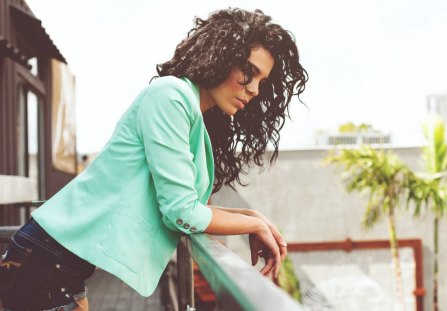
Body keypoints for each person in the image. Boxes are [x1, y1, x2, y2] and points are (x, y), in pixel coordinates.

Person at [0, 8, 307, 311]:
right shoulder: (170, 96)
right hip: (44, 264)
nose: (253, 90)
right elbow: (181, 211)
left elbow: (187, 205)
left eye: (261, 82)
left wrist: (255, 220)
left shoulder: (191, 115)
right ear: (222, 55)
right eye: (249, 72)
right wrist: (251, 227)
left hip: (62, 265)